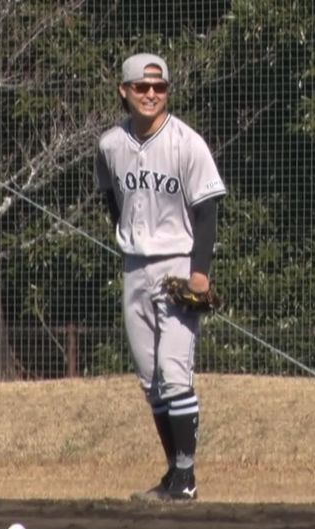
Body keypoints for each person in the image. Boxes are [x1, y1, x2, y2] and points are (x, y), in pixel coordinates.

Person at [94, 53, 226, 501]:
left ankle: (186, 478)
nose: (151, 94)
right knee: (151, 381)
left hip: (177, 266)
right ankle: (173, 475)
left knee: (174, 373)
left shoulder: (186, 142)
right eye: (141, 87)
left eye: (160, 87)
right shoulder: (110, 144)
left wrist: (199, 274)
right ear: (124, 91)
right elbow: (111, 198)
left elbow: (206, 212)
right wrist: (128, 235)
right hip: (134, 267)